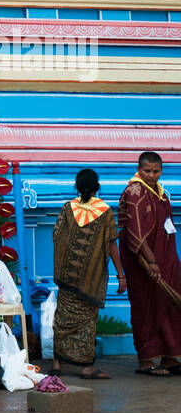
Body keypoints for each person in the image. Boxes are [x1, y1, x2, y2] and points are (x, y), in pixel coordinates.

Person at [51, 168, 125, 380]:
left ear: (77, 187)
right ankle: (86, 368)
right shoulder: (105, 212)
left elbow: (57, 236)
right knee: (87, 322)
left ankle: (57, 363)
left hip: (67, 276)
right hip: (90, 280)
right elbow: (112, 245)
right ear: (97, 188)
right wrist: (121, 275)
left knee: (62, 319)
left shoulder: (67, 208)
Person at [119, 152, 181, 376]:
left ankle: (169, 357)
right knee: (147, 306)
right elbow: (134, 231)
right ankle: (145, 360)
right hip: (144, 260)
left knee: (167, 304)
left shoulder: (161, 193)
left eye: (156, 171)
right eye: (147, 171)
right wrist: (151, 260)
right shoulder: (134, 192)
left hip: (166, 257)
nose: (152, 175)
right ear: (139, 169)